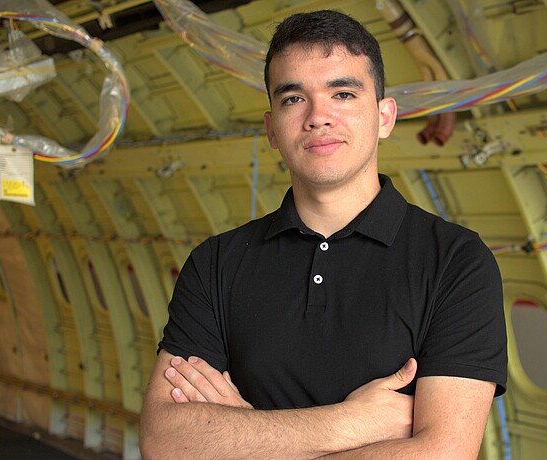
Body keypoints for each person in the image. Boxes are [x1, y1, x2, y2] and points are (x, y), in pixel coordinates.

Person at [139, 9, 507, 459]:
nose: (318, 116)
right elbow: (164, 441)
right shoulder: (216, 262)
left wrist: (244, 434)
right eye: (294, 99)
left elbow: (443, 454)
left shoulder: (456, 261)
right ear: (271, 127)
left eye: (344, 93)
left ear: (385, 116)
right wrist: (353, 423)